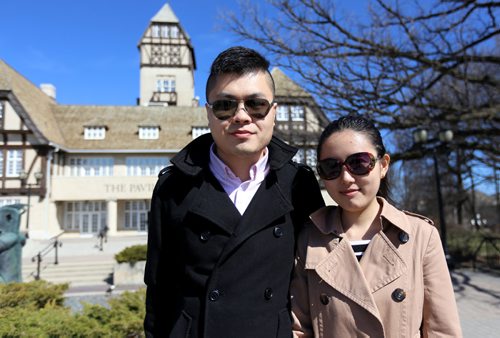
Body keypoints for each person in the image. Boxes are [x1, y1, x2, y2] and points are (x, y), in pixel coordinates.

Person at [144, 46, 325, 337]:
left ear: (274, 112)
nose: (241, 116)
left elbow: (317, 281)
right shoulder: (172, 187)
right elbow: (158, 290)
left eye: (256, 105)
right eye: (225, 105)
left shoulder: (299, 185)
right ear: (208, 113)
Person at [290, 115, 462, 337]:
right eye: (331, 167)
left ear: (383, 165)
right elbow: (299, 330)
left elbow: (442, 330)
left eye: (359, 163)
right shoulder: (310, 238)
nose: (346, 178)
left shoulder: (420, 235)